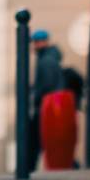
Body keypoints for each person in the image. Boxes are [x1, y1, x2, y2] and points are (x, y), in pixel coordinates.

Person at [28, 28, 65, 171]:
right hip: (48, 106)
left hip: (45, 107)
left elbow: (47, 85)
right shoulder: (48, 58)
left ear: (45, 42)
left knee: (36, 141)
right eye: (35, 42)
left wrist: (36, 95)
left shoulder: (46, 60)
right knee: (47, 141)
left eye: (38, 42)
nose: (36, 45)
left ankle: (28, 168)